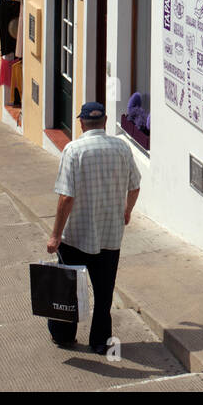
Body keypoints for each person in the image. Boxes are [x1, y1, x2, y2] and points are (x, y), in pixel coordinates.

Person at [45, 103, 141, 353]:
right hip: (110, 234)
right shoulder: (122, 147)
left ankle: (64, 335)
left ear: (81, 123)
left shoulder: (73, 149)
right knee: (104, 293)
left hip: (76, 235)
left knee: (68, 288)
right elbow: (135, 185)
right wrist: (127, 211)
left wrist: (55, 235)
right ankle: (100, 341)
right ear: (105, 121)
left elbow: (66, 197)